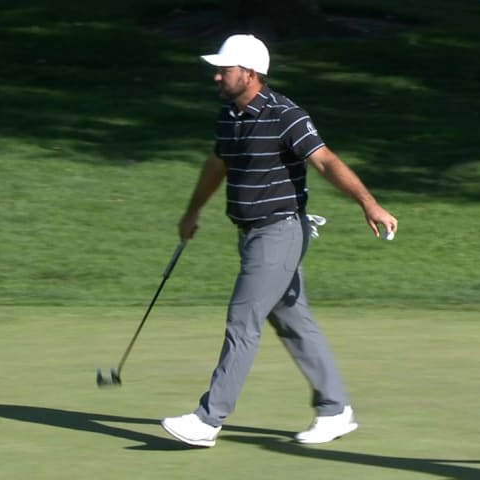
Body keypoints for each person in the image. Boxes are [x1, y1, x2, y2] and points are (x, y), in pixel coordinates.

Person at [160, 34, 398, 448]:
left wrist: (368, 203)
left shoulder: (285, 114)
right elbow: (218, 163)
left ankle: (208, 419)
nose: (216, 76)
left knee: (242, 321)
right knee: (291, 319)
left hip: (279, 232)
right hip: (250, 234)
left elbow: (324, 159)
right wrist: (193, 210)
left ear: (249, 73)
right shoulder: (229, 115)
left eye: (225, 70)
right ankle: (335, 409)